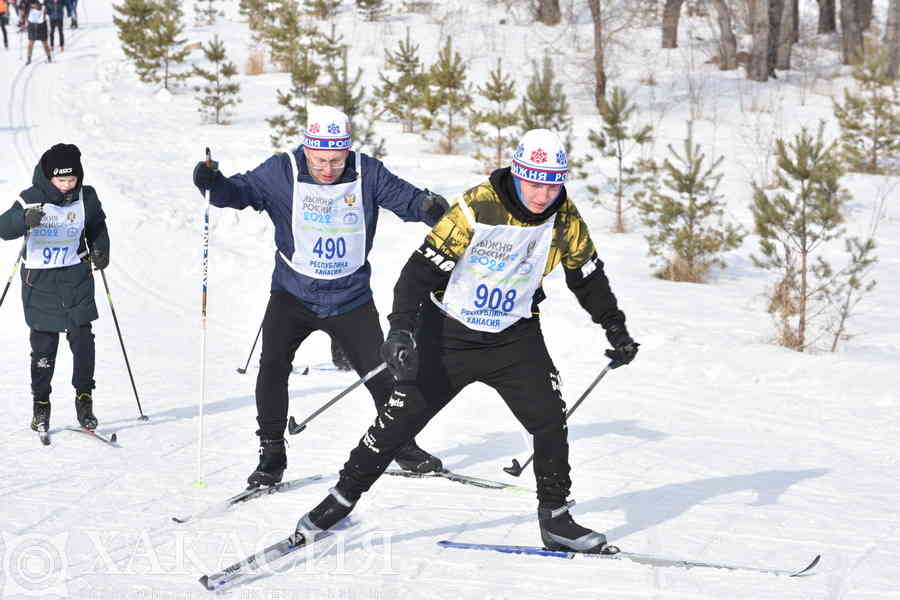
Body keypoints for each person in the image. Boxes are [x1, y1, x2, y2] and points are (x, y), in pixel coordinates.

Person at [293, 129, 639, 553]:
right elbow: (418, 272)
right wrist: (401, 328)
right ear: (517, 172)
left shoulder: (564, 217)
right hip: (449, 336)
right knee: (395, 425)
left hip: (515, 339)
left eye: (553, 184)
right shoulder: (477, 207)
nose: (543, 194)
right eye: (534, 182)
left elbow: (586, 275)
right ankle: (338, 501)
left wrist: (615, 327)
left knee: (550, 419)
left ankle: (556, 519)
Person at [192, 105, 451, 487]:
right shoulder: (281, 171)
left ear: (347, 150)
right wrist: (212, 183)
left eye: (336, 159)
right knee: (273, 368)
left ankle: (402, 445)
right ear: (307, 149)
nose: (328, 168)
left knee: (382, 372)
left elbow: (408, 200)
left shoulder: (367, 172)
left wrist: (430, 208)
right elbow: (237, 192)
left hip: (350, 296)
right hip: (293, 293)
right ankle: (272, 454)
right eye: (320, 160)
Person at [0, 144, 110, 436]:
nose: (66, 186)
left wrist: (101, 249)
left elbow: (97, 226)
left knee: (83, 340)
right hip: (40, 283)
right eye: (61, 181)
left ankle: (84, 400)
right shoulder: (31, 198)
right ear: (48, 178)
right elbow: (4, 228)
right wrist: (23, 220)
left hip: (76, 277)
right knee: (44, 348)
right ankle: (41, 404)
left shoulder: (86, 197)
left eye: (71, 180)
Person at [24, 0, 50, 65]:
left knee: (45, 43)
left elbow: (47, 9)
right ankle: (29, 58)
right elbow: (24, 9)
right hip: (32, 23)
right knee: (30, 43)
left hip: (42, 24)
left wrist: (41, 7)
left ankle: (49, 57)